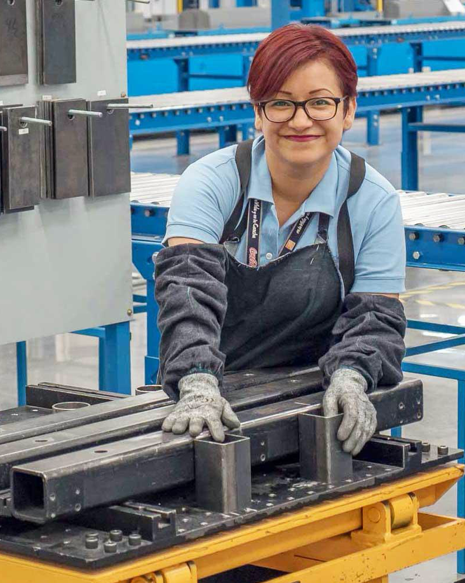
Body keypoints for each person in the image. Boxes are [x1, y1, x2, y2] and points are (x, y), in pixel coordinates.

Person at [155, 23, 407, 456]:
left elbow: (376, 318)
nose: (301, 120)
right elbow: (186, 294)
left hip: (315, 401)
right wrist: (196, 382)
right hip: (211, 399)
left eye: (320, 103)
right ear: (258, 111)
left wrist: (351, 376)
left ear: (348, 111)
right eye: (281, 103)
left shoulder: (372, 199)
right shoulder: (212, 182)